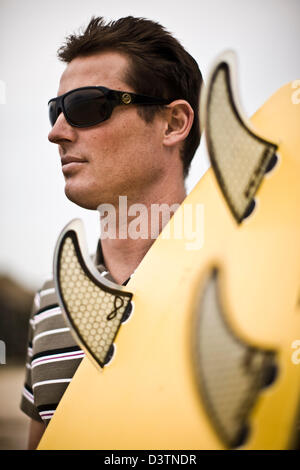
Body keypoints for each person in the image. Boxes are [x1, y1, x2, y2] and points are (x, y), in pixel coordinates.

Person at [20, 15, 202, 449]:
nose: (56, 132)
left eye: (86, 106)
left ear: (173, 123)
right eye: (56, 110)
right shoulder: (51, 301)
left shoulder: (266, 273)